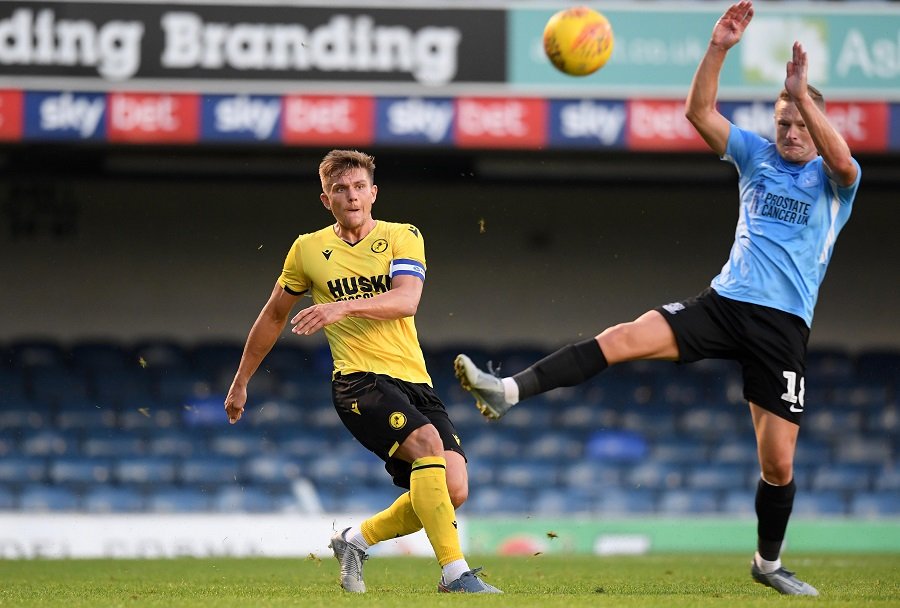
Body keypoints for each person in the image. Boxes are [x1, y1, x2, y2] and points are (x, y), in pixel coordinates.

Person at [455, 0, 859, 597]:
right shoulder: (757, 157)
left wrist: (802, 93)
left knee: (778, 465)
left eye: (800, 122)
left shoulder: (833, 181)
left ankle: (768, 564)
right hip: (725, 304)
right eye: (784, 122)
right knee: (622, 338)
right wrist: (719, 47)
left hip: (783, 329)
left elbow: (846, 161)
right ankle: (508, 390)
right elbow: (698, 111)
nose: (791, 131)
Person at [225, 149, 501, 594]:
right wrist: (240, 383)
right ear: (325, 199)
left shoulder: (402, 236)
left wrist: (341, 307)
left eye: (358, 188)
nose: (351, 197)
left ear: (373, 193)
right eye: (340, 190)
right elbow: (273, 316)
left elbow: (406, 300)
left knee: (452, 489)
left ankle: (355, 540)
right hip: (358, 381)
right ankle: (456, 575)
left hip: (414, 380)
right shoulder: (307, 249)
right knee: (429, 443)